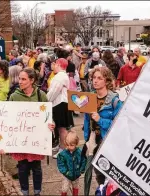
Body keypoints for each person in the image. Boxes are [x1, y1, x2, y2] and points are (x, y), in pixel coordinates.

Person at [9, 68, 55, 196]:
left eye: (23, 79)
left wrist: (52, 123)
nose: (20, 81)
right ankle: (24, 191)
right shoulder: (14, 96)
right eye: (19, 78)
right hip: (21, 138)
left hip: (37, 138)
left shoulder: (41, 95)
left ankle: (37, 192)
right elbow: (8, 118)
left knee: (36, 167)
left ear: (32, 80)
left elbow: (49, 116)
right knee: (22, 167)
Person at [83, 66, 123, 196]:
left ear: (106, 81)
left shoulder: (115, 101)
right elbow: (86, 120)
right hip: (94, 141)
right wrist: (87, 138)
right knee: (98, 174)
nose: (95, 81)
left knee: (109, 174)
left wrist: (100, 120)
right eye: (94, 78)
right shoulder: (89, 98)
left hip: (109, 143)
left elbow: (119, 125)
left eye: (99, 78)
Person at [47, 58, 74, 158]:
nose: (53, 66)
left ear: (58, 65)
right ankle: (61, 147)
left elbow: (54, 92)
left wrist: (47, 100)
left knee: (61, 128)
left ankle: (63, 149)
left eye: (54, 64)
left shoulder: (59, 77)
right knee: (60, 128)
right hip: (61, 103)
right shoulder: (63, 76)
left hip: (60, 104)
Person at [57, 132, 87, 196]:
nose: (69, 147)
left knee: (76, 187)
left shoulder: (79, 152)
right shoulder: (63, 154)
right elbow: (60, 164)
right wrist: (66, 172)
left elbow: (83, 160)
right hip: (66, 175)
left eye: (72, 145)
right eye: (67, 145)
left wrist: (81, 170)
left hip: (76, 174)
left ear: (76, 144)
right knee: (65, 188)